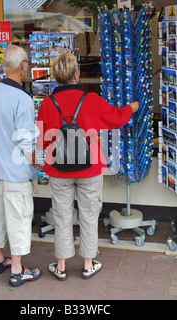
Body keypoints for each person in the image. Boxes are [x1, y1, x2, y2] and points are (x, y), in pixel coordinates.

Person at [37, 53, 140, 280]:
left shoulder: (46, 103)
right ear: (77, 75)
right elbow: (116, 118)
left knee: (62, 216)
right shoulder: (92, 99)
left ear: (56, 77)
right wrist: (130, 108)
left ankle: (61, 266)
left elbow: (42, 140)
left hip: (58, 170)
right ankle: (87, 264)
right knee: (89, 215)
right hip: (89, 168)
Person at [0, 44, 42, 287]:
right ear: (23, 66)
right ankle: (17, 270)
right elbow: (27, 143)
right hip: (16, 173)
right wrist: (39, 166)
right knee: (18, 219)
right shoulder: (23, 99)